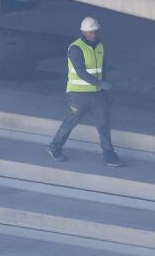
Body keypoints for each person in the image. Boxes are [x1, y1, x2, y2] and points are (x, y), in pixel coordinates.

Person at [49, 15, 125, 167]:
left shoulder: (100, 46)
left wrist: (104, 89)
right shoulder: (76, 48)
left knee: (103, 123)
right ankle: (55, 147)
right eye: (90, 32)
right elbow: (80, 72)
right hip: (78, 94)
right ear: (83, 32)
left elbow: (101, 69)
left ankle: (109, 155)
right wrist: (101, 84)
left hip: (97, 94)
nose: (93, 34)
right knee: (72, 121)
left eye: (95, 31)